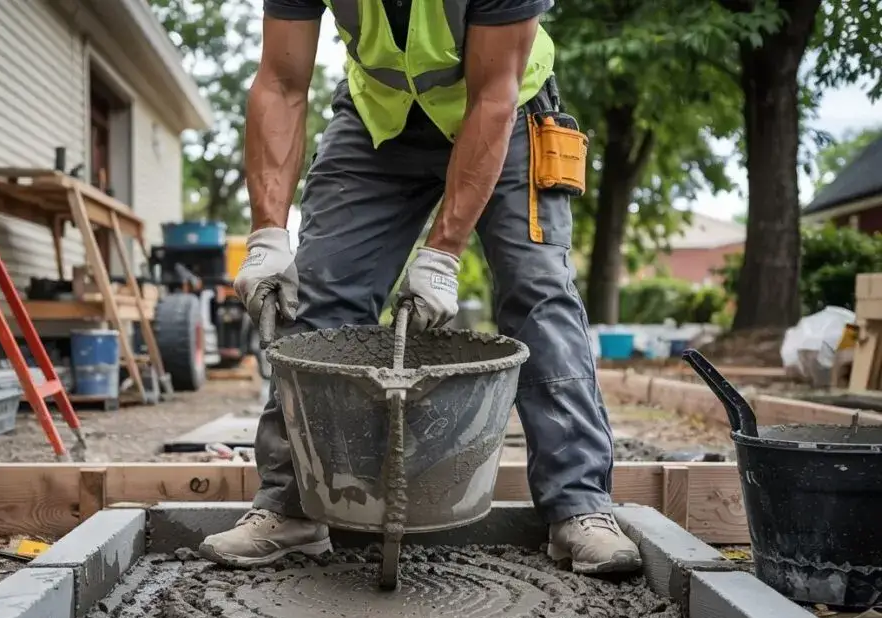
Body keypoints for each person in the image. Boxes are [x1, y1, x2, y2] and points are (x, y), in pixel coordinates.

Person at [198, 0, 642, 575]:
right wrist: (266, 234)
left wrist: (442, 255)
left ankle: (579, 507)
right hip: (380, 118)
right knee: (319, 295)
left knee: (538, 294)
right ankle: (292, 506)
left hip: (505, 112)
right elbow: (281, 82)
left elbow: (493, 96)